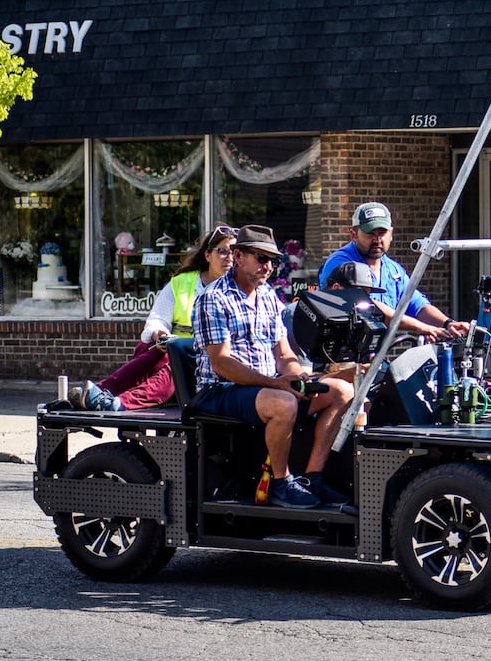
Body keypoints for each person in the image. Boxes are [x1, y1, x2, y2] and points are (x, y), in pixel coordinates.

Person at [188, 224, 355, 510]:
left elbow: (284, 352)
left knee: (342, 389)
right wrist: (277, 383)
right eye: (261, 258)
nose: (269, 266)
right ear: (238, 256)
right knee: (284, 403)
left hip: (264, 385)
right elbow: (222, 363)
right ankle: (280, 483)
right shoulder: (213, 298)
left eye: (273, 260)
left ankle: (312, 478)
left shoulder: (267, 296)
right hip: (220, 389)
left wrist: (298, 375)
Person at [69, 224, 236, 411]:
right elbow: (158, 317)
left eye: (234, 253)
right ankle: (103, 390)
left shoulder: (237, 287)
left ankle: (120, 403)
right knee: (151, 350)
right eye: (223, 252)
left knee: (175, 366)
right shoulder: (183, 281)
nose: (229, 258)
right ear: (207, 255)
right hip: (173, 347)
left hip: (206, 355)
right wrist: (160, 334)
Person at [317, 202, 471, 343]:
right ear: (353, 234)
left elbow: (416, 305)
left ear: (391, 234)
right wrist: (420, 327)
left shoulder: (393, 270)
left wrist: (448, 323)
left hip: (372, 355)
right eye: (370, 233)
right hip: (334, 353)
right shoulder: (341, 264)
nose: (377, 239)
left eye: (382, 233)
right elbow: (366, 306)